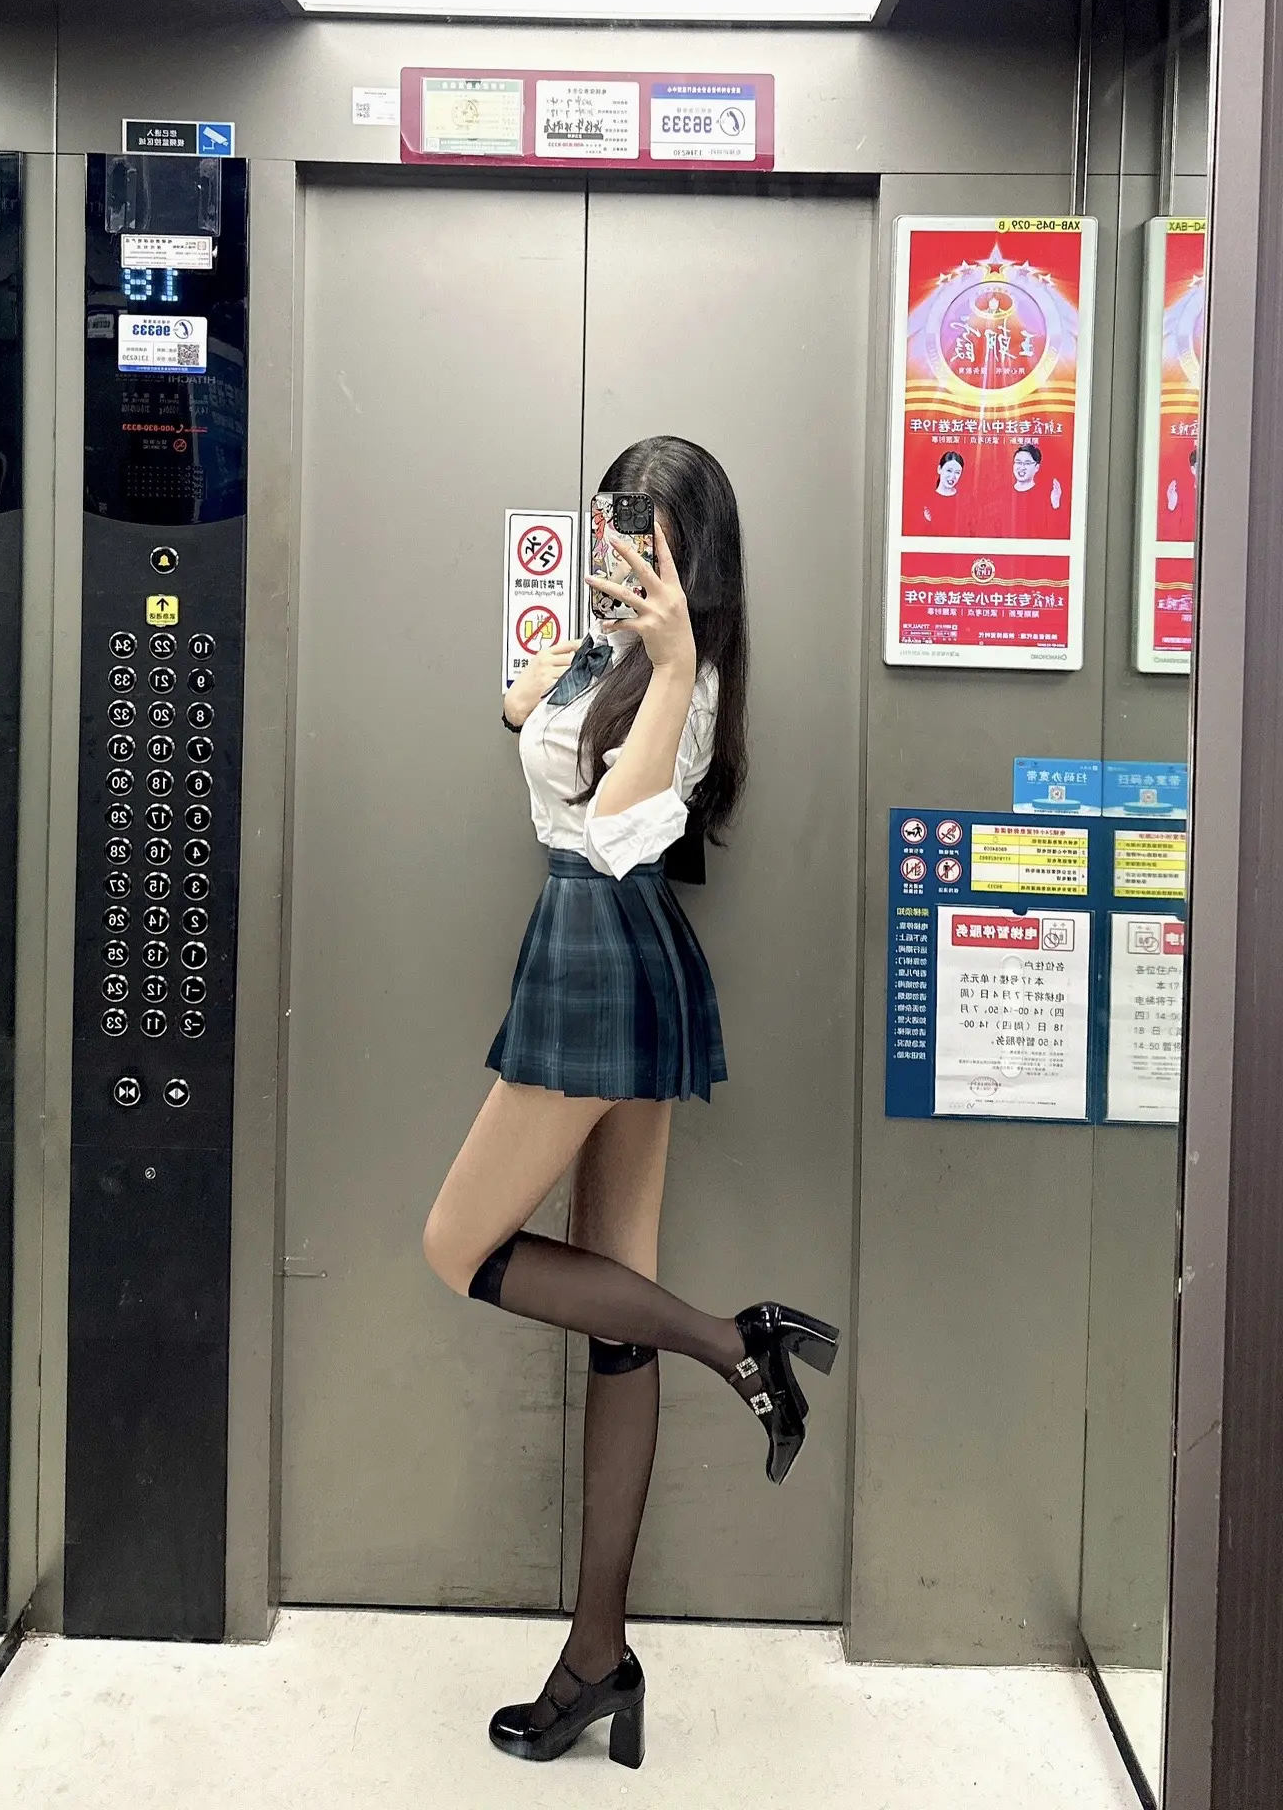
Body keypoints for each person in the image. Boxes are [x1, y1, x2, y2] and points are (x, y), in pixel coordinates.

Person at [423, 436, 839, 1770]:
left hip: (601, 947)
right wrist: (546, 683)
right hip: (612, 953)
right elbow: (528, 721)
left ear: (694, 555)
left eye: (650, 539)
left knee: (458, 1247)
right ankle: (597, 1659)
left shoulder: (686, 678)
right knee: (615, 1315)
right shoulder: (611, 654)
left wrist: (660, 664)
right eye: (615, 529)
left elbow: (610, 827)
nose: (626, 556)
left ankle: (734, 1342)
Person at [918, 448, 965, 531]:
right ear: (939, 469)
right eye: (949, 470)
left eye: (957, 472)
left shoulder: (965, 500)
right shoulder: (926, 501)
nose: (952, 476)